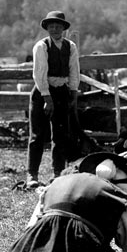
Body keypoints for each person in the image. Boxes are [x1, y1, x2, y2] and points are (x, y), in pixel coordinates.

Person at [27, 10, 80, 188]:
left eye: (58, 26)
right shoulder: (41, 46)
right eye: (52, 26)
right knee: (38, 135)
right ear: (47, 28)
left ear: (64, 29)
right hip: (43, 92)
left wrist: (73, 93)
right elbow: (39, 73)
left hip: (61, 92)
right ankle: (32, 175)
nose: (55, 29)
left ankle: (58, 174)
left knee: (61, 135)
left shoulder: (70, 46)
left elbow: (74, 70)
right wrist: (46, 98)